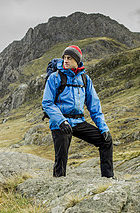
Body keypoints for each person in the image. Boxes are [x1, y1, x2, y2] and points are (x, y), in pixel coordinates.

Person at [42, 45, 114, 178]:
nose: (66, 61)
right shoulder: (54, 77)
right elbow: (47, 103)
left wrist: (103, 128)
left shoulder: (85, 79)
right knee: (61, 159)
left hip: (79, 122)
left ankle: (108, 178)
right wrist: (61, 121)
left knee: (106, 141)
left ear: (77, 60)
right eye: (64, 58)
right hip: (60, 123)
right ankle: (58, 185)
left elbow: (94, 107)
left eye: (69, 58)